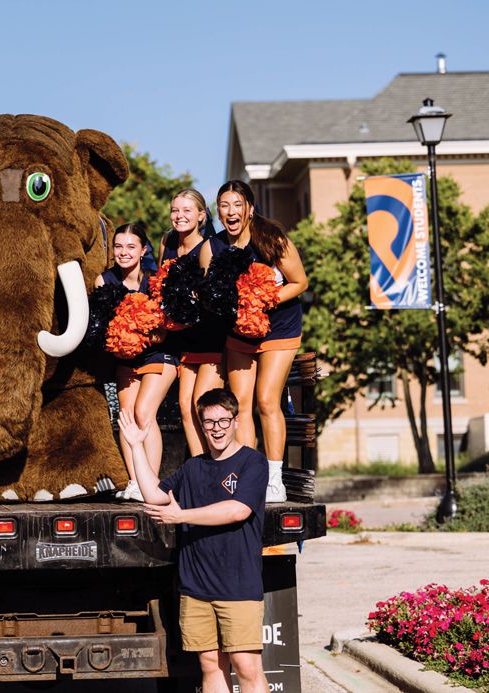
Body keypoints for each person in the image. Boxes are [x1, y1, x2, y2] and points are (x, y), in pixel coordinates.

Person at [120, 388, 268, 693]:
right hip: (196, 589)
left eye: (223, 421)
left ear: (236, 421)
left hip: (237, 586)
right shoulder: (192, 467)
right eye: (210, 423)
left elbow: (237, 510)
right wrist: (135, 447)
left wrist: (182, 516)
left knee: (246, 666)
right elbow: (154, 495)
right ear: (201, 426)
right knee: (211, 665)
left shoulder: (252, 463)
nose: (217, 429)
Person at [216, 180, 308, 502]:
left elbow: (300, 282)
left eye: (237, 205)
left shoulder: (271, 239)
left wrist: (262, 299)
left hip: (279, 327)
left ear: (250, 209)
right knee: (240, 405)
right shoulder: (216, 248)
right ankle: (247, 474)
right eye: (225, 205)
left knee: (267, 401)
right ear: (218, 212)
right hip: (240, 332)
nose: (231, 212)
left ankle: (273, 478)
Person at [96, 223, 176, 501]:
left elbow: (166, 330)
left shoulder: (155, 281)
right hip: (125, 358)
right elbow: (102, 330)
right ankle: (135, 482)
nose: (123, 252)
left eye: (131, 247)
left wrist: (143, 330)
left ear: (143, 250)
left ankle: (150, 482)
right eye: (118, 246)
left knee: (143, 413)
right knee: (127, 416)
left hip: (158, 354)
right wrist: (122, 334)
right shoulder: (104, 281)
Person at [160, 189, 230, 456]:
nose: (179, 216)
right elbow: (160, 287)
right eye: (175, 210)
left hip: (210, 338)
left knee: (205, 407)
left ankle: (220, 466)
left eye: (187, 211)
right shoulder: (167, 242)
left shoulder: (208, 247)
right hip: (182, 342)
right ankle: (202, 468)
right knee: (186, 409)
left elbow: (211, 297)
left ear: (201, 215)